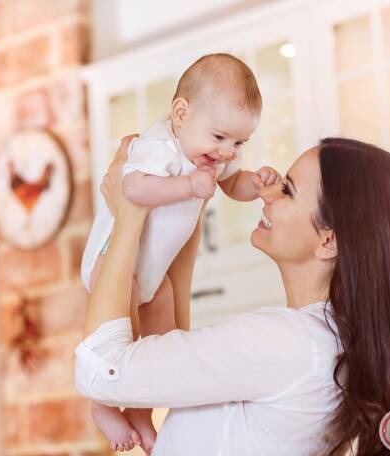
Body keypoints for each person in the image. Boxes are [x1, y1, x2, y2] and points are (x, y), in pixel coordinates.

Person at [75, 136, 390, 455]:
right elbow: (176, 355)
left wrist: (128, 217)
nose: (268, 195)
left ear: (328, 240)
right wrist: (186, 220)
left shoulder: (288, 343)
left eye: (288, 191)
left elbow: (100, 370)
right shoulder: (330, 345)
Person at [80, 53, 280, 452]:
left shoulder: (211, 153)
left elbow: (231, 183)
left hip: (154, 272)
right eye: (220, 137)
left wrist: (255, 185)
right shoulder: (159, 146)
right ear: (180, 113)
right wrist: (188, 188)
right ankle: (102, 406)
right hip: (114, 261)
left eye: (239, 142)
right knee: (126, 338)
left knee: (163, 344)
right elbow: (133, 189)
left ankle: (140, 412)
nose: (226, 152)